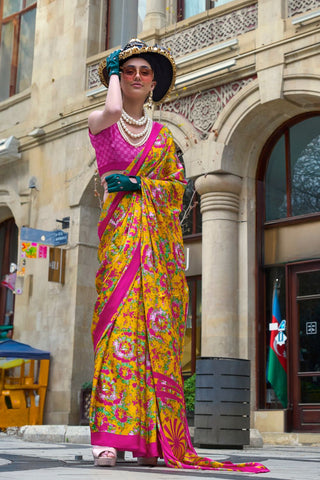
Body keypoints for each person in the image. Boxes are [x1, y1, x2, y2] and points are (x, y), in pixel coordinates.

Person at [88, 39, 269, 473]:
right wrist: (111, 71)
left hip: (155, 252)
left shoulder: (164, 138)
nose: (136, 77)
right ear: (117, 76)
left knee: (154, 343)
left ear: (154, 84)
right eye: (128, 70)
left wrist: (142, 187)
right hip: (121, 245)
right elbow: (113, 112)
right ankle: (109, 440)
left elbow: (175, 190)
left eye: (144, 72)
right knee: (118, 336)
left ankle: (149, 439)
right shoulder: (101, 121)